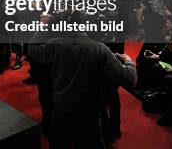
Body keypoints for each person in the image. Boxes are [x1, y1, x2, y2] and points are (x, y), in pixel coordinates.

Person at [30, 12, 137, 149]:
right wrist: (129, 62)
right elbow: (130, 79)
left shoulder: (55, 45)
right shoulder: (100, 49)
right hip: (89, 114)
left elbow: (32, 50)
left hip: (61, 111)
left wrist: (42, 27)